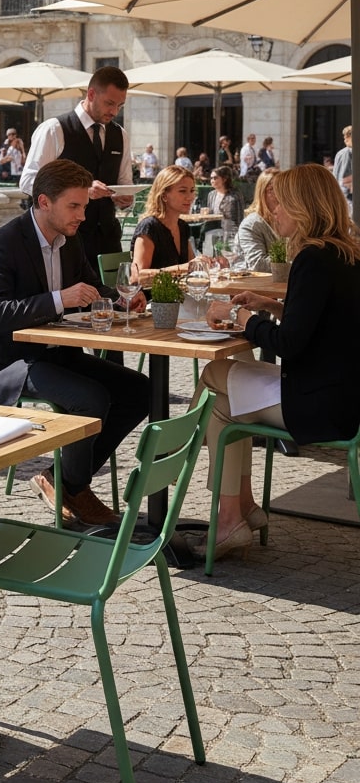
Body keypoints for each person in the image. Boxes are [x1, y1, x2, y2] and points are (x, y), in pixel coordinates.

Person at [0, 158, 150, 527]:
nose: (82, 215)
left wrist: (117, 298)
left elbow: (89, 285)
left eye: (84, 206)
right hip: (10, 360)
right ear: (43, 202)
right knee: (90, 398)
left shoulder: (69, 239)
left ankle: (63, 480)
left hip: (56, 351)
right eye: (74, 205)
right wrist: (59, 300)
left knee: (140, 390)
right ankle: (75, 487)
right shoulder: (2, 243)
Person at [194, 163, 360, 558]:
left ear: (304, 207)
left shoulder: (313, 258)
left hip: (319, 404)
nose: (274, 212)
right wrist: (271, 305)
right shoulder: (345, 254)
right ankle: (239, 510)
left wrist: (240, 317)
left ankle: (224, 505)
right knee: (224, 402)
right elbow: (324, 322)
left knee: (217, 378)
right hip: (343, 394)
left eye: (281, 204)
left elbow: (289, 343)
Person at [20, 65, 134, 278]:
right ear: (91, 94)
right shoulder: (54, 129)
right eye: (109, 103)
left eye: (120, 105)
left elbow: (123, 181)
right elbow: (28, 182)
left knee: (111, 305)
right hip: (64, 240)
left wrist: (126, 198)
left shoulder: (121, 135)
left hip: (107, 239)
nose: (114, 111)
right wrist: (81, 190)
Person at [131, 165, 195, 278]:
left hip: (180, 294)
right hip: (151, 295)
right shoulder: (149, 227)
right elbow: (138, 276)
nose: (190, 197)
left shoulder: (182, 226)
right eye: (183, 191)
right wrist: (183, 268)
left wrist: (210, 263)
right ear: (164, 195)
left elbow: (193, 267)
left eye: (192, 191)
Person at [235, 169, 280, 271]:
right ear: (262, 193)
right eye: (272, 189)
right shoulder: (252, 224)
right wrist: (295, 257)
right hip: (255, 284)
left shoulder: (289, 220)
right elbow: (258, 265)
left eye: (283, 188)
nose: (279, 193)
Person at [333, 124, 352, 205]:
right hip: (348, 199)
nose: (344, 140)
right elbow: (343, 180)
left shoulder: (346, 152)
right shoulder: (347, 153)